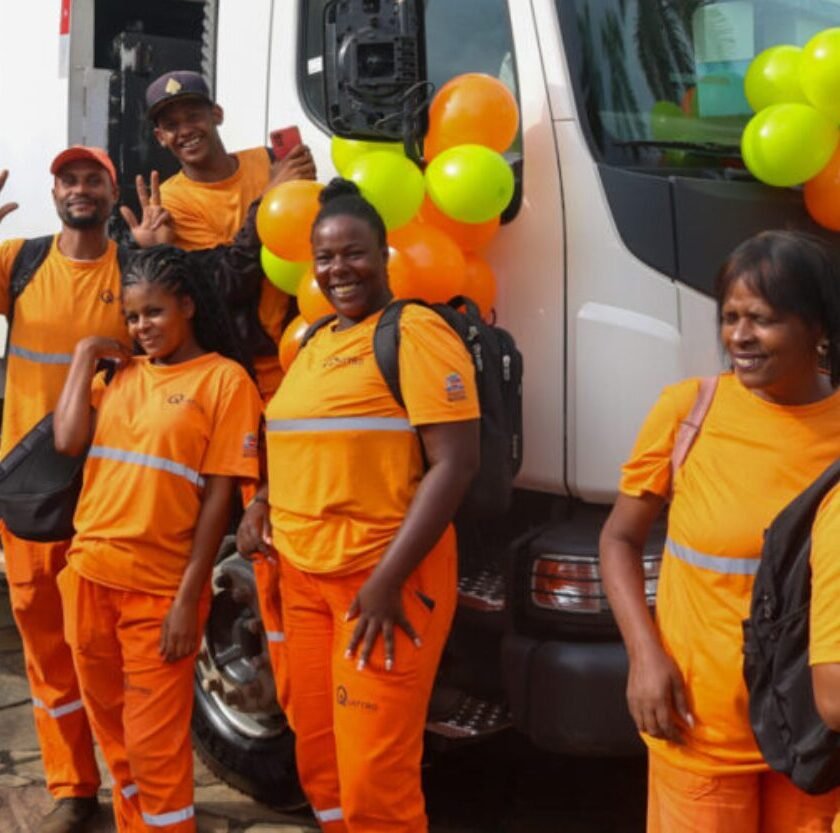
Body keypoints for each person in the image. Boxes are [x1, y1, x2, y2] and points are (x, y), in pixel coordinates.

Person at [236, 179, 480, 832]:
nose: (338, 268)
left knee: (375, 778)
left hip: (382, 583)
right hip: (304, 579)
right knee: (320, 758)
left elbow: (456, 463)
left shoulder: (416, 332)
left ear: (385, 255)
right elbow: (296, 440)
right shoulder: (314, 340)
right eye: (325, 256)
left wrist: (386, 580)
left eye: (354, 253)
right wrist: (261, 501)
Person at [599, 230, 840, 833]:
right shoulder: (690, 410)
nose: (739, 336)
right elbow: (618, 541)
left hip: (816, 747)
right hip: (700, 729)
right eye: (730, 317)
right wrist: (644, 657)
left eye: (762, 319)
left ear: (818, 329)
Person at [53, 246, 263, 833]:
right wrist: (83, 356)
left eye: (155, 312)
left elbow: (218, 504)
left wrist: (185, 603)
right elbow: (68, 439)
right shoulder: (120, 374)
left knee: (155, 749)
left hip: (158, 593)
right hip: (90, 579)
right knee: (116, 739)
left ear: (188, 306)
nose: (142, 327)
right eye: (133, 315)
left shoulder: (225, 380)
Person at [0, 147, 137, 833]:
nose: (80, 189)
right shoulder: (19, 261)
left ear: (112, 192)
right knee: (49, 652)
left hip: (109, 494)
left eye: (93, 179)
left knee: (108, 654)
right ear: (54, 190)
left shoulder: (135, 266)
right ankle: (73, 788)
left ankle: (135, 790)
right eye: (69, 179)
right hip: (28, 494)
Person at [145, 69, 317, 401]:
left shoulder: (267, 160)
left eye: (193, 116)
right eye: (171, 125)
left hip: (305, 345)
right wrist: (269, 201)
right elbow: (225, 283)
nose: (185, 131)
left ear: (216, 115)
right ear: (160, 137)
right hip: (247, 368)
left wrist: (303, 186)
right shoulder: (170, 202)